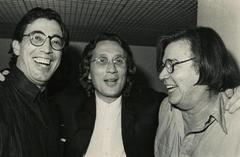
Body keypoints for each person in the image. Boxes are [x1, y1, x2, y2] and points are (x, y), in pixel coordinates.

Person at [53, 32, 166, 157]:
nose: (112, 69)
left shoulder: (151, 106)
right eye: (102, 60)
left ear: (127, 70)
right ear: (89, 72)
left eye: (118, 61)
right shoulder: (65, 105)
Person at [154, 27, 240, 157]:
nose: (162, 75)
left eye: (171, 64)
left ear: (205, 64)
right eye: (163, 66)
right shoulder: (165, 108)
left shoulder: (236, 122)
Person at [0, 7, 69, 157]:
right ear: (16, 47)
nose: (47, 49)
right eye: (37, 38)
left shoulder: (54, 110)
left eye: (56, 41)